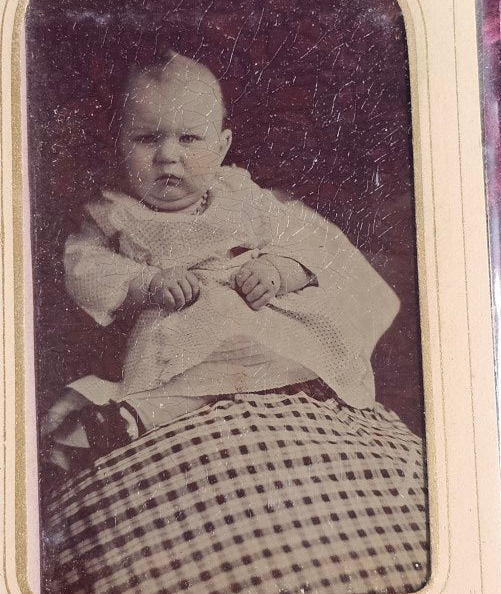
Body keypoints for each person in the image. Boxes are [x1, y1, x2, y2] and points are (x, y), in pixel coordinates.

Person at [43, 51, 402, 464]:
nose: (167, 156)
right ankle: (130, 421)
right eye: (146, 138)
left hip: (262, 314)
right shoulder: (116, 212)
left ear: (221, 146)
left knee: (309, 349)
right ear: (120, 143)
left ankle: (301, 390)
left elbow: (309, 239)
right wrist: (146, 282)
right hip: (183, 326)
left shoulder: (240, 195)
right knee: (179, 385)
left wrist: (279, 270)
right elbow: (84, 266)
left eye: (189, 138)